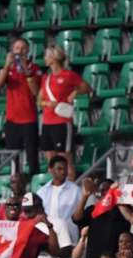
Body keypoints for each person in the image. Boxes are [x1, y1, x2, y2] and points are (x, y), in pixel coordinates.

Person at [38, 45, 92, 180]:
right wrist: (47, 104)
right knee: (51, 161)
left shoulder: (68, 75)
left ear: (53, 58)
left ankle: (71, 192)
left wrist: (75, 92)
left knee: (65, 160)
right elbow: (39, 100)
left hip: (62, 122)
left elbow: (86, 88)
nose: (44, 59)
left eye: (46, 56)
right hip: (47, 122)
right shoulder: (46, 78)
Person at [0, 36, 42, 175]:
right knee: (13, 158)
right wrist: (6, 66)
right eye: (17, 48)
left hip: (29, 119)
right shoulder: (8, 68)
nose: (20, 51)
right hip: (12, 120)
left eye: (23, 48)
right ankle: (16, 187)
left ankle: (34, 186)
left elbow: (35, 91)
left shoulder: (34, 67)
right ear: (12, 50)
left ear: (28, 51)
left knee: (32, 157)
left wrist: (27, 72)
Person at [72, 176, 131, 258]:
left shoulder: (122, 210)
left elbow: (130, 212)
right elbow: (76, 219)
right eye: (102, 190)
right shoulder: (93, 210)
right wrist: (85, 196)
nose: (105, 193)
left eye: (108, 190)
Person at [37, 155, 83, 246]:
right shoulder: (41, 192)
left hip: (69, 237)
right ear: (51, 170)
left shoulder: (76, 190)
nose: (63, 172)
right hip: (47, 236)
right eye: (59, 169)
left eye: (65, 169)